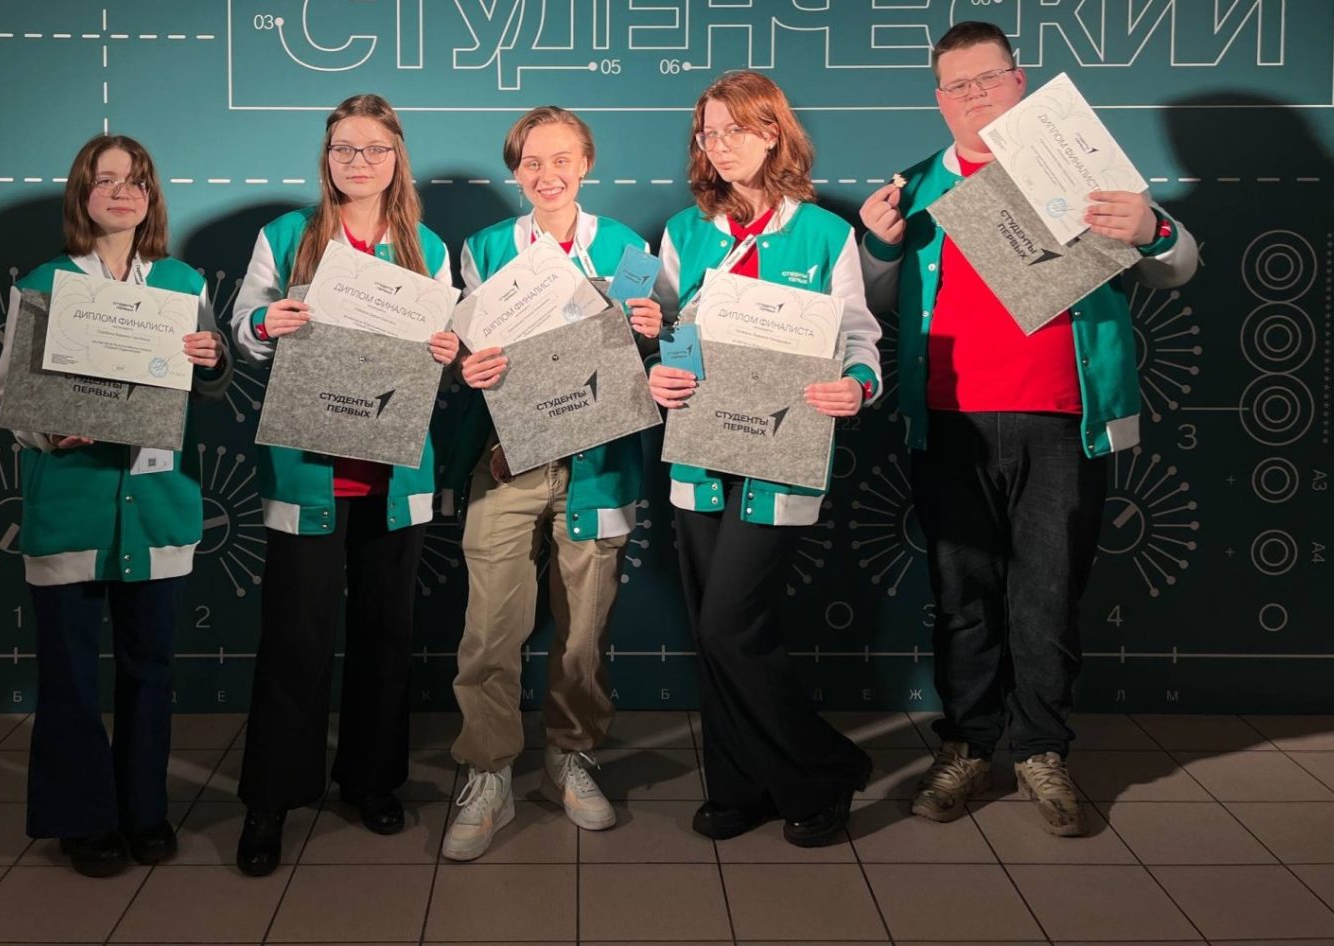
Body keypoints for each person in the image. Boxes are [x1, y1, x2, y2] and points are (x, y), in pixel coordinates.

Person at [858, 21, 1197, 836]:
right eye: (958, 85)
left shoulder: (1082, 169)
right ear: (940, 100)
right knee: (962, 599)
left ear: (1020, 81)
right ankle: (969, 746)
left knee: (1048, 596)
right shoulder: (913, 187)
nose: (974, 96)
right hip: (952, 424)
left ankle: (1042, 749)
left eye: (989, 79)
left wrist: (1151, 228)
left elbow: (1179, 264)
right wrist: (877, 246)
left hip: (1065, 422)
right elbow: (874, 304)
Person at [0, 133, 232, 877]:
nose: (121, 192)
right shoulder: (45, 282)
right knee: (69, 675)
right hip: (71, 506)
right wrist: (49, 429)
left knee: (149, 669)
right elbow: (8, 393)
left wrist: (212, 359)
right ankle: (82, 819)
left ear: (151, 197)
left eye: (135, 181)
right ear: (82, 195)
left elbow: (210, 380)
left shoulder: (183, 282)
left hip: (158, 507)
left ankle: (143, 810)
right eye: (105, 180)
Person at [648, 71, 883, 847]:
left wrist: (858, 384)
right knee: (714, 632)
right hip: (699, 454)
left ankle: (825, 769)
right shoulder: (682, 230)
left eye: (736, 130)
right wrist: (662, 368)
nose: (719, 145)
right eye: (708, 133)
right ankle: (738, 785)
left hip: (782, 454)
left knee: (731, 626)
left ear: (772, 132)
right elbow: (664, 326)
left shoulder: (824, 233)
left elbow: (858, 336)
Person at [228, 94, 461, 876]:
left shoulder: (427, 244)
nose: (358, 163)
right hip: (310, 470)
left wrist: (447, 350)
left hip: (396, 471)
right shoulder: (286, 235)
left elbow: (446, 353)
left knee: (385, 638)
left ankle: (371, 781)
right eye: (343, 150)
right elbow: (243, 327)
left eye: (374, 149)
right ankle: (271, 799)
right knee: (295, 641)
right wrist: (267, 324)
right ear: (326, 159)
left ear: (397, 159)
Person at [439, 106, 664, 861]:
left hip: (600, 464)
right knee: (489, 629)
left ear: (586, 163)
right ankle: (488, 770)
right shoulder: (484, 248)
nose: (547, 175)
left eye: (562, 159)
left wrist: (651, 329)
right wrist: (469, 366)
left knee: (583, 634)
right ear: (515, 171)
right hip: (507, 459)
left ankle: (572, 754)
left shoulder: (629, 248)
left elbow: (648, 348)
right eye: (532, 162)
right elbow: (472, 354)